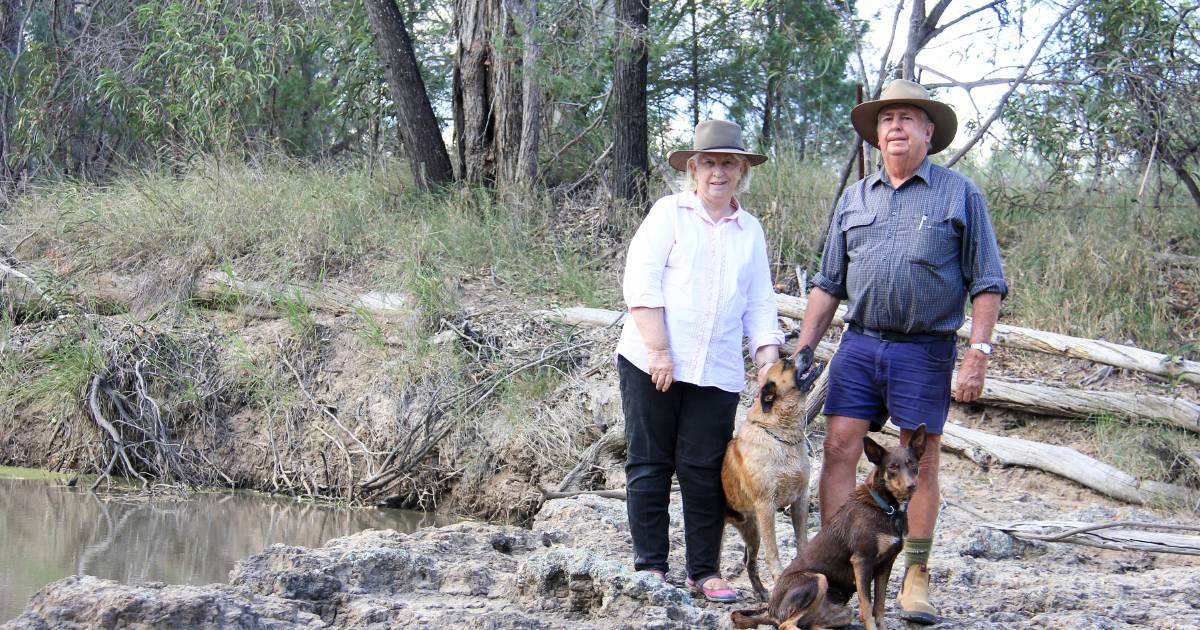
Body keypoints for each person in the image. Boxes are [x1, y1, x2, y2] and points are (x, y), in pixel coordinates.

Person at [792, 79, 1007, 624]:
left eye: (908, 118)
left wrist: (977, 352)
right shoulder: (855, 197)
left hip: (925, 349)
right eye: (887, 120)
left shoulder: (960, 194)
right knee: (841, 448)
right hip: (861, 344)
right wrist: (805, 345)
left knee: (921, 462)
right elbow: (827, 282)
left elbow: (986, 281)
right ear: (876, 134)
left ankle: (915, 574)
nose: (896, 127)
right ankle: (842, 565)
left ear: (928, 132)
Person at [616, 119, 784, 604]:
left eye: (728, 163)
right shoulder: (668, 213)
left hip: (715, 371)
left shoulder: (750, 230)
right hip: (652, 360)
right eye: (709, 162)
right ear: (693, 168)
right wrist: (660, 352)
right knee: (649, 462)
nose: (718, 172)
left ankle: (703, 570)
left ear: (742, 171)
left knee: (704, 468)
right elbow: (641, 284)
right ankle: (650, 566)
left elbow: (759, 305)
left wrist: (767, 367)